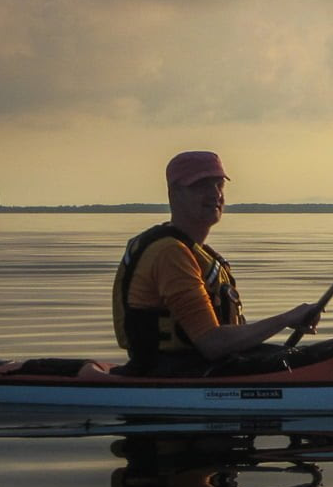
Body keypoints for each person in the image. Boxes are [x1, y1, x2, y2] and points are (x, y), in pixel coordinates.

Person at [112, 151, 319, 374]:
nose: (214, 194)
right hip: (172, 372)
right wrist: (286, 319)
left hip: (206, 367)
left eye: (219, 185)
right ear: (174, 195)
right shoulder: (169, 253)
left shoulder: (200, 254)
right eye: (201, 186)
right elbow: (212, 344)